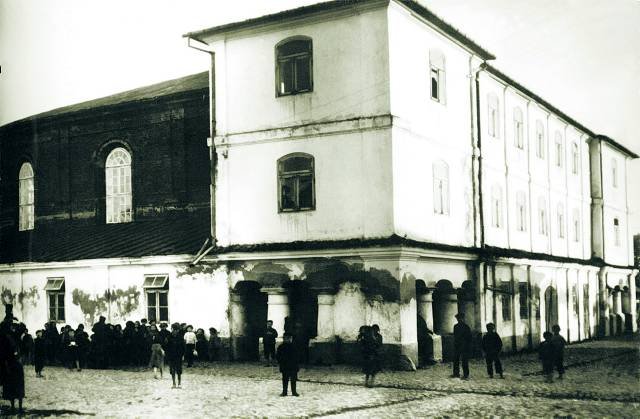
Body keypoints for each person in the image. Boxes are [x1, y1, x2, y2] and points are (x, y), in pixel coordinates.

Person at [451, 313, 472, 380]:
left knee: (464, 360)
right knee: (456, 360)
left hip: (464, 346)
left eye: (460, 318)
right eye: (458, 318)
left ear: (463, 318)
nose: (459, 319)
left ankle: (466, 374)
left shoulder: (466, 327)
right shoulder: (455, 326)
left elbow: (469, 337)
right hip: (457, 345)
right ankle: (456, 373)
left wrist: (468, 345)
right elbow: (455, 336)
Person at [166, 323, 185, 389]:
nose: (175, 331)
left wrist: (183, 355)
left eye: (177, 330)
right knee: (172, 370)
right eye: (174, 329)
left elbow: (183, 347)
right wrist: (167, 355)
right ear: (172, 329)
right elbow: (166, 347)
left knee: (179, 370)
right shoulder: (168, 337)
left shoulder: (181, 337)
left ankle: (179, 383)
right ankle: (174, 383)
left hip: (178, 356)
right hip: (171, 356)